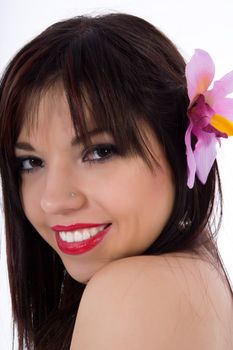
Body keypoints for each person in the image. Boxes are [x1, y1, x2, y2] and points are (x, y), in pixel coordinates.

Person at [0, 13, 233, 350]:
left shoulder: (131, 293)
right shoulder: (196, 271)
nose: (52, 200)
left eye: (98, 152)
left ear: (178, 146)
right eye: (31, 162)